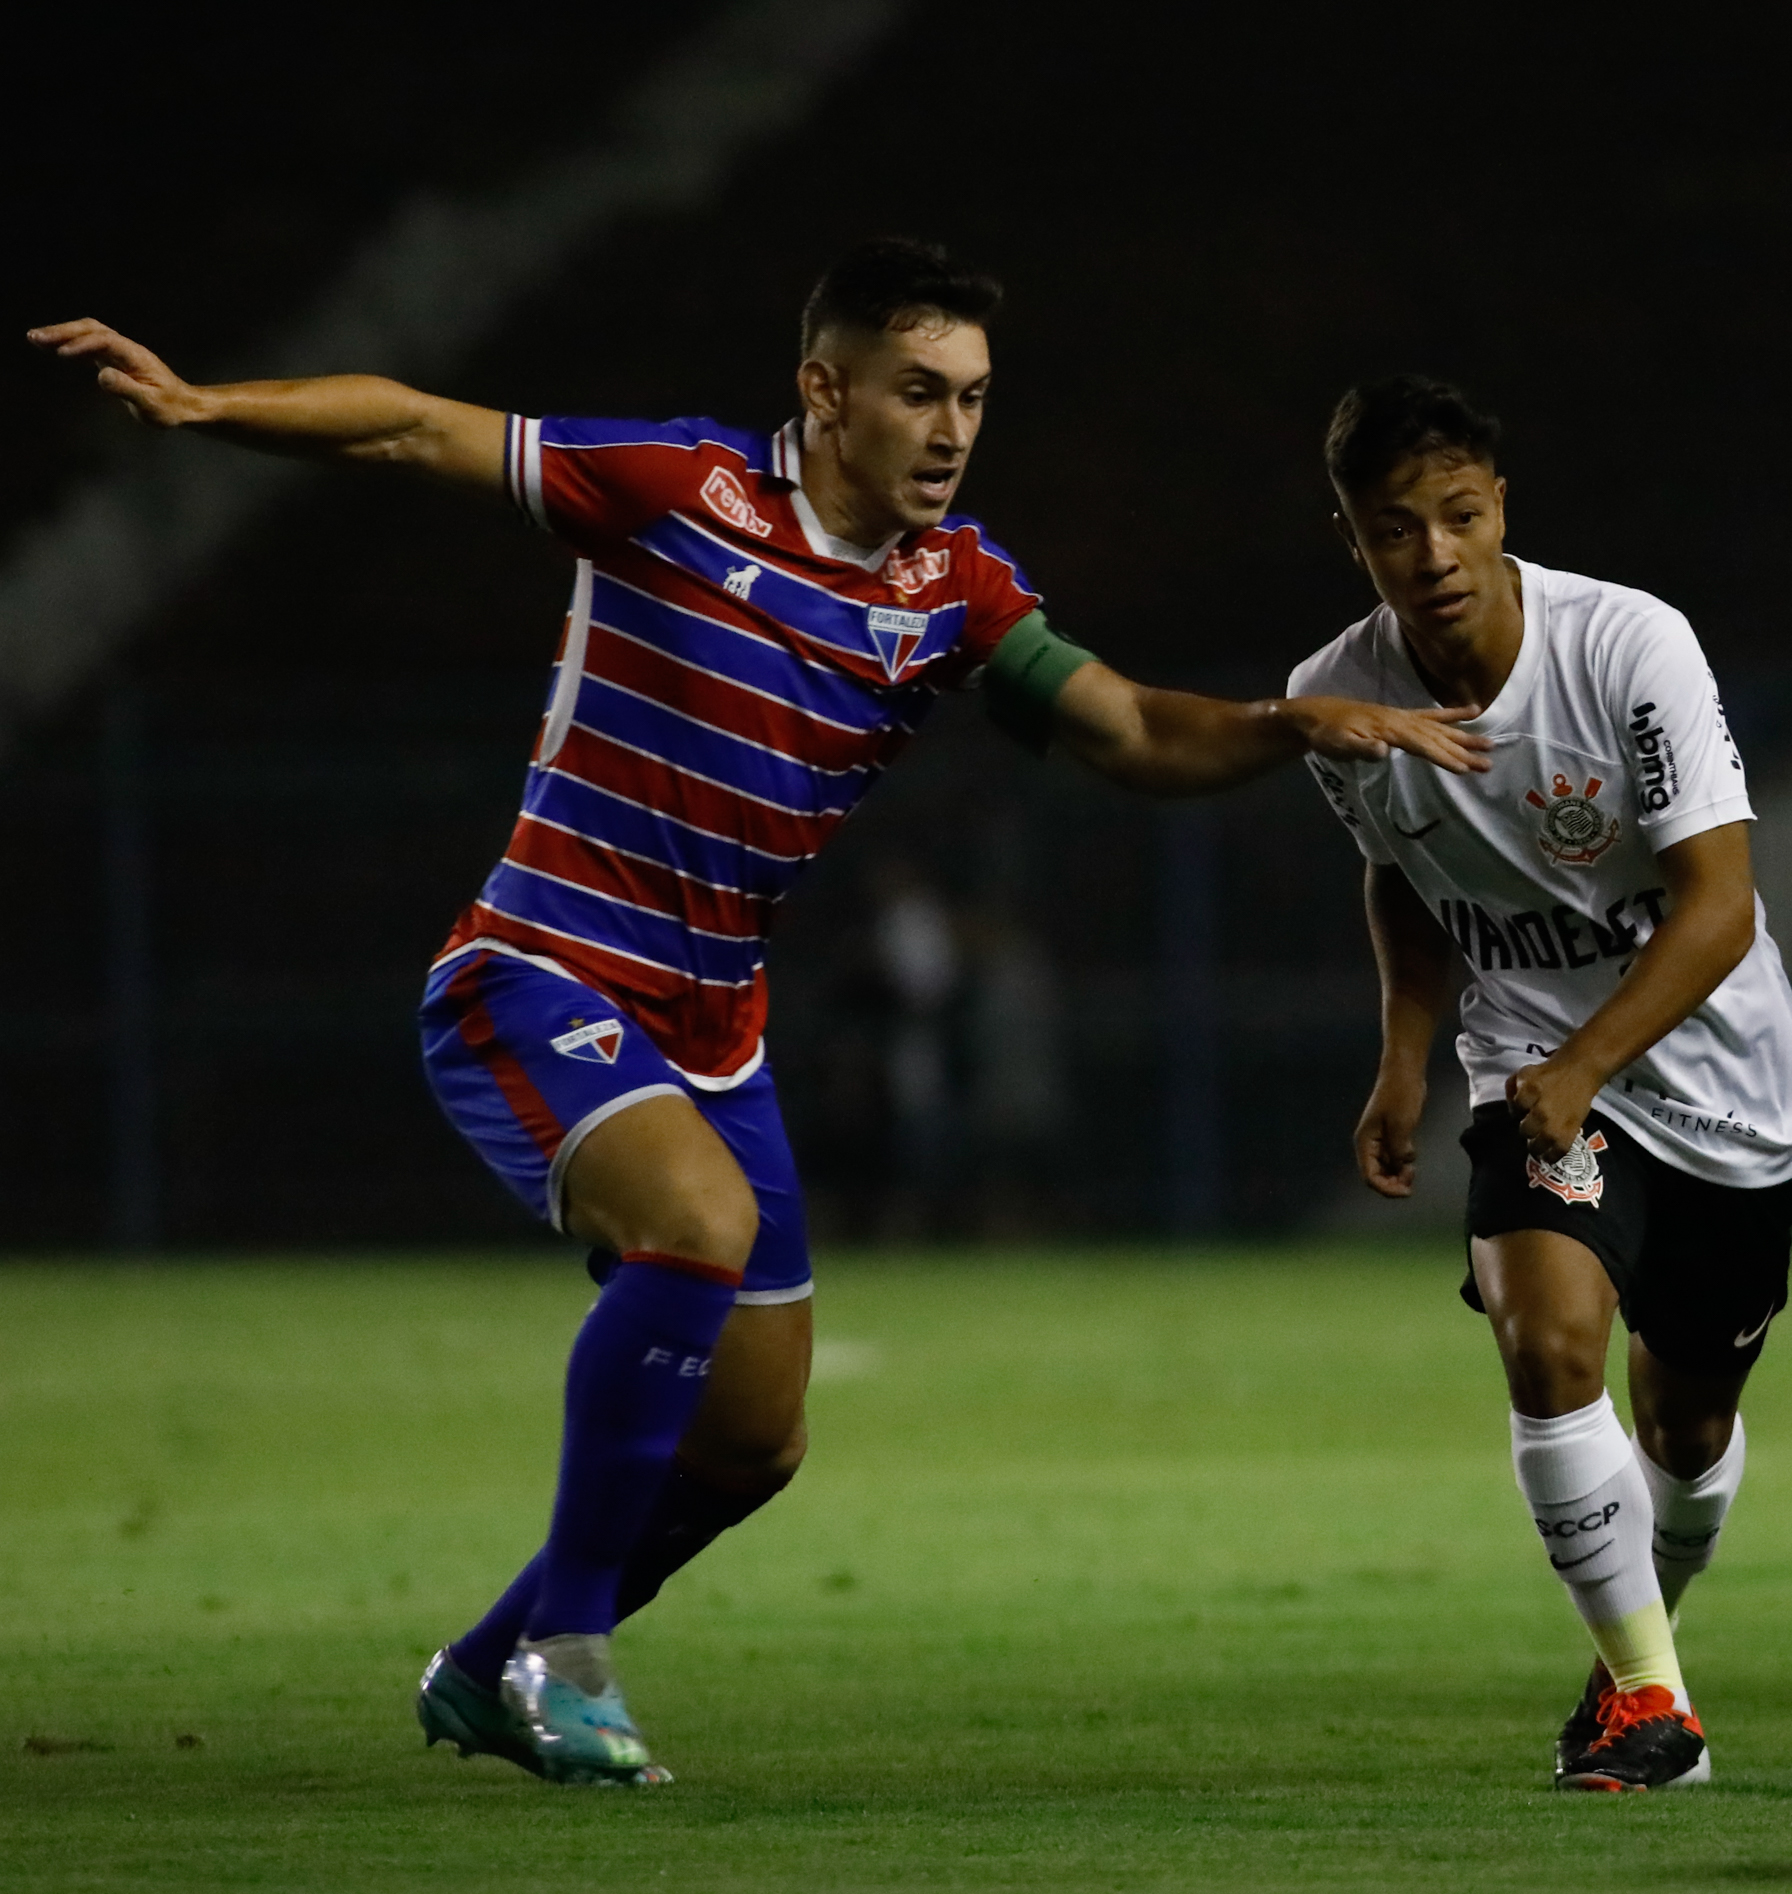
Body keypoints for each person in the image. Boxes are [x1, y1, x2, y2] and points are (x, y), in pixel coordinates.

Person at [30, 240, 1489, 1785]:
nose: (950, 430)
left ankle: (482, 1664)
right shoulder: (677, 487)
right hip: (538, 971)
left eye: (975, 399)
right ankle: (567, 1657)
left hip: (714, 1033)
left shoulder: (954, 592)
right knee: (696, 1229)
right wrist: (204, 406)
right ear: (825, 387)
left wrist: (1291, 723)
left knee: (754, 1443)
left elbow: (1129, 730)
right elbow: (413, 423)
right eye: (918, 391)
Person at [1295, 377, 1792, 1791]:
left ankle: (1625, 1666)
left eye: (1459, 517)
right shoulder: (1331, 702)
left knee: (1690, 1425)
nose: (1435, 555)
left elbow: (1717, 909)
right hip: (1531, 1065)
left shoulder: (1628, 646)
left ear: (1500, 508)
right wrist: (1406, 1060)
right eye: (1396, 529)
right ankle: (1658, 1709)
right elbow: (1400, 872)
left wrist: (1592, 1064)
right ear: (1352, 538)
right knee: (1548, 1344)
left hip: (1720, 1079)